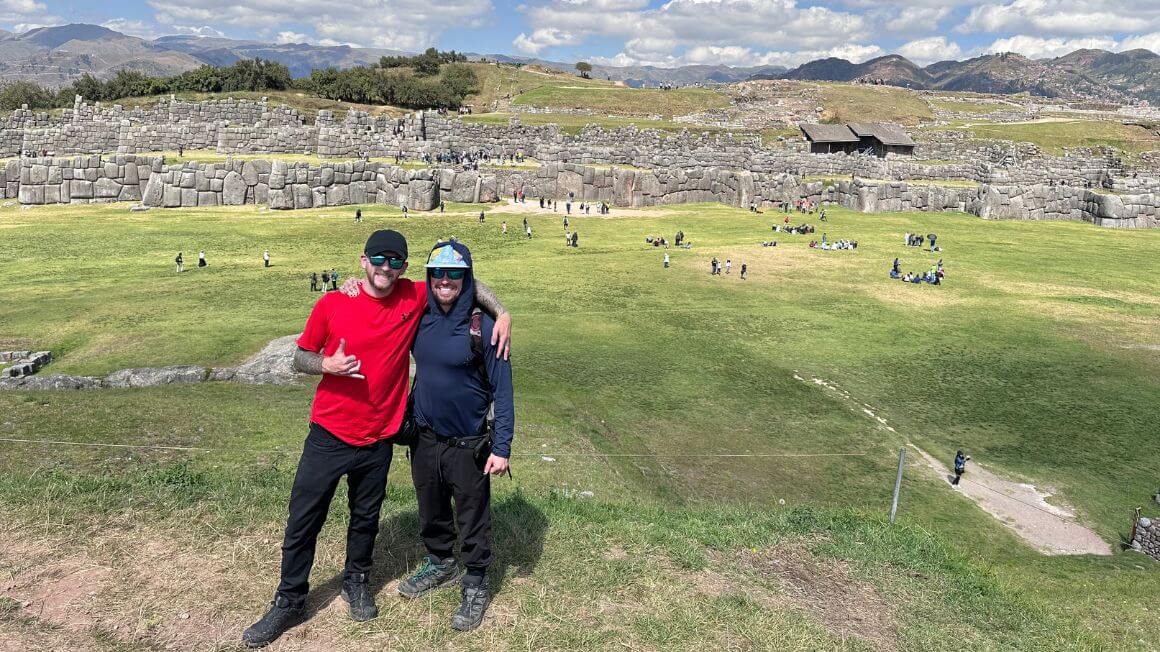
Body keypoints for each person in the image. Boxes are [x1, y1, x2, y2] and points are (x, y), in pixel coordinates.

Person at [242, 231, 512, 648]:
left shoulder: (412, 296)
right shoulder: (334, 302)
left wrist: (504, 312)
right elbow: (299, 356)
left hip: (379, 439)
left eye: (395, 261)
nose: (386, 268)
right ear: (363, 260)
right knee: (303, 520)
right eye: (378, 259)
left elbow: (465, 282)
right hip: (329, 434)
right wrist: (325, 364)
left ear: (404, 268)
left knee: (365, 518)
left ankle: (357, 581)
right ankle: (289, 599)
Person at [396, 241, 515, 631]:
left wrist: (502, 447)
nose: (445, 280)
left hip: (469, 444)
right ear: (429, 277)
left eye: (454, 273)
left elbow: (503, 389)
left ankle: (476, 579)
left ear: (467, 277)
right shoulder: (421, 315)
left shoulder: (485, 327)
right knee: (430, 507)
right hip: (425, 437)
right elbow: (381, 292)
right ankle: (440, 562)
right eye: (438, 273)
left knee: (473, 516)